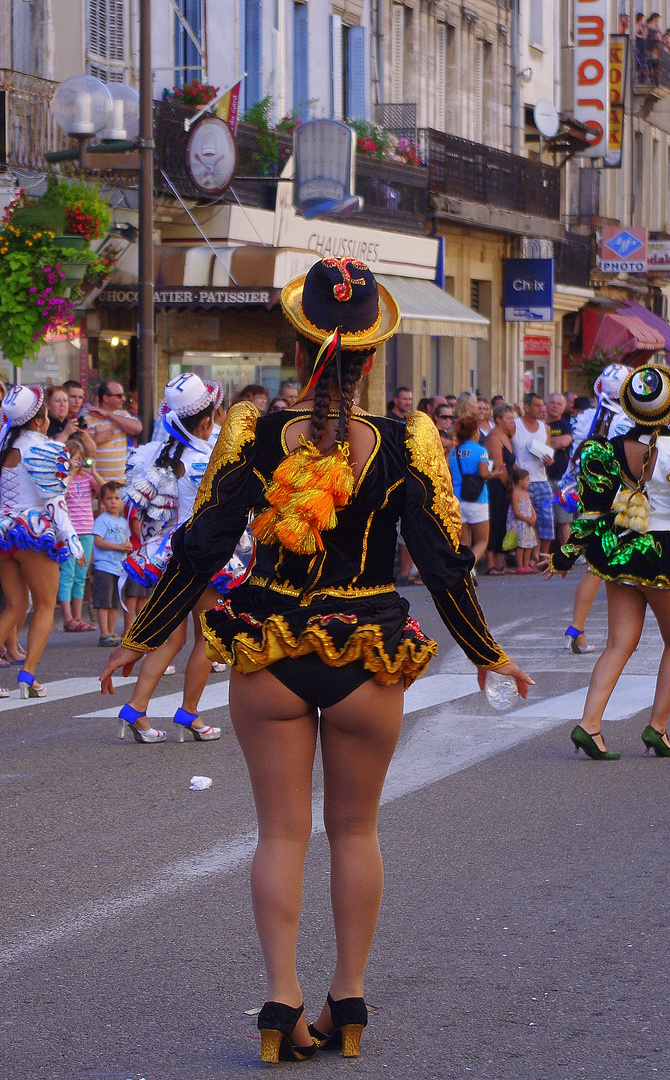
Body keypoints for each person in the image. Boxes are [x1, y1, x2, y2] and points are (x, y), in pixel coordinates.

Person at [100, 257, 531, 1062]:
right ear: (373, 358)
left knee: (281, 836)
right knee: (356, 831)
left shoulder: (252, 431)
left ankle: (280, 1002)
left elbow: (201, 547)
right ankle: (351, 998)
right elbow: (443, 560)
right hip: (370, 651)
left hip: (268, 650)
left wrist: (142, 634)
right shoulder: (410, 438)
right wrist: (485, 651)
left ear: (299, 351)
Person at [545, 364, 670, 759]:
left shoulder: (605, 448)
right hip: (666, 556)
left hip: (620, 550)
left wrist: (565, 554)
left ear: (629, 405)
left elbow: (589, 513)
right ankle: (657, 728)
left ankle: (589, 724)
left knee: (617, 644)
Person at [117, 374, 225, 743]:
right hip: (202, 553)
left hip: (165, 552)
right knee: (207, 637)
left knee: (169, 640)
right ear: (207, 421)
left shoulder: (154, 454)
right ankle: (189, 713)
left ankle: (136, 708)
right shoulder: (210, 456)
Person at [0, 385, 86, 698]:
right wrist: (74, 544)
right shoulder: (47, 450)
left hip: (3, 532)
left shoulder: (3, 445)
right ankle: (28, 675)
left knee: (15, 606)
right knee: (46, 606)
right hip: (34, 534)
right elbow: (55, 502)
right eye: (46, 414)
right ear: (38, 421)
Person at [558, 364, 632, 653]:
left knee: (597, 567)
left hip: (588, 499)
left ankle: (578, 628)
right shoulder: (626, 421)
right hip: (618, 503)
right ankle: (611, 636)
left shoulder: (590, 418)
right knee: (612, 570)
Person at [58, 439, 103, 633]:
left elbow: (104, 490)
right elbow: (63, 492)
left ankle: (77, 617)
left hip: (87, 530)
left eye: (81, 459)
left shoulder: (86, 478)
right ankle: (67, 618)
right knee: (67, 573)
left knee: (81, 575)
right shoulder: (64, 478)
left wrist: (93, 472)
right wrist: (68, 472)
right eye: (75, 459)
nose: (79, 463)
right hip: (70, 531)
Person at [448, 414, 499, 570]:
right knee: (482, 541)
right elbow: (484, 474)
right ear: (475, 431)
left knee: (464, 542)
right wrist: (496, 473)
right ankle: (467, 568)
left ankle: (468, 572)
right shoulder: (480, 451)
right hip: (477, 500)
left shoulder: (452, 452)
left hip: (457, 498)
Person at [511, 393, 554, 557]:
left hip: (541, 478)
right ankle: (530, 556)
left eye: (542, 405)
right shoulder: (515, 425)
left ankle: (543, 554)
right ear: (527, 407)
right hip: (522, 481)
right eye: (536, 405)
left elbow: (548, 450)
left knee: (547, 519)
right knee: (527, 520)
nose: (541, 409)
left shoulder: (545, 428)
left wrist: (549, 460)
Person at [92, 481, 133, 647]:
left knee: (114, 603)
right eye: (109, 498)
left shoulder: (123, 522)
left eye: (117, 498)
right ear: (102, 501)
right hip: (104, 567)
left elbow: (126, 541)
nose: (113, 502)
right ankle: (104, 633)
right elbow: (98, 541)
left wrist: (128, 547)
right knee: (104, 602)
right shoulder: (102, 520)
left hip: (118, 567)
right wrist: (119, 546)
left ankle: (111, 631)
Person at [85, 380, 142, 484]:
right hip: (96, 482)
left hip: (119, 482)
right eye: (119, 396)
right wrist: (96, 441)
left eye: (123, 395)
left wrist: (108, 415)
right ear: (105, 398)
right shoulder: (87, 418)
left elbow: (137, 428)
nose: (124, 399)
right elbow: (80, 451)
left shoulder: (123, 415)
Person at [484, 403, 517, 573]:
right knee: (495, 521)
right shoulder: (493, 438)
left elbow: (512, 464)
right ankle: (490, 561)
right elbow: (499, 466)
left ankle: (499, 558)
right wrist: (509, 487)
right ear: (498, 419)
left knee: (504, 521)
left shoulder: (507, 436)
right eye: (509, 418)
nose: (512, 421)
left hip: (508, 485)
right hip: (497, 486)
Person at [545, 393, 574, 545]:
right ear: (547, 405)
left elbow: (564, 442)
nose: (555, 406)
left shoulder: (565, 425)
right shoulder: (540, 424)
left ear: (563, 409)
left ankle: (566, 553)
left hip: (560, 478)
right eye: (552, 403)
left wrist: (543, 442)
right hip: (541, 478)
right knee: (543, 519)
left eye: (558, 404)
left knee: (564, 520)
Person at [507, 469, 537, 573]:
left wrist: (534, 516)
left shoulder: (526, 493)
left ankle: (526, 565)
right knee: (521, 546)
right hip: (520, 524)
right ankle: (520, 566)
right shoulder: (515, 494)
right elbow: (516, 512)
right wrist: (527, 519)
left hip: (528, 523)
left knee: (528, 545)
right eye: (527, 480)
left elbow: (531, 507)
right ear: (520, 481)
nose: (529, 483)